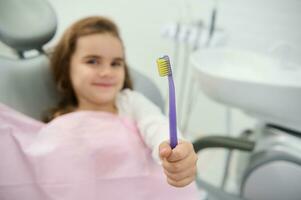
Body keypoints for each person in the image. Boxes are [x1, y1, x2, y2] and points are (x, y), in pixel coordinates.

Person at [46, 16, 198, 188]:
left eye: (116, 63)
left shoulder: (131, 103)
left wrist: (176, 152)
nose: (106, 72)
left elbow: (156, 125)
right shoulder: (61, 124)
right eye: (93, 61)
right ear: (66, 66)